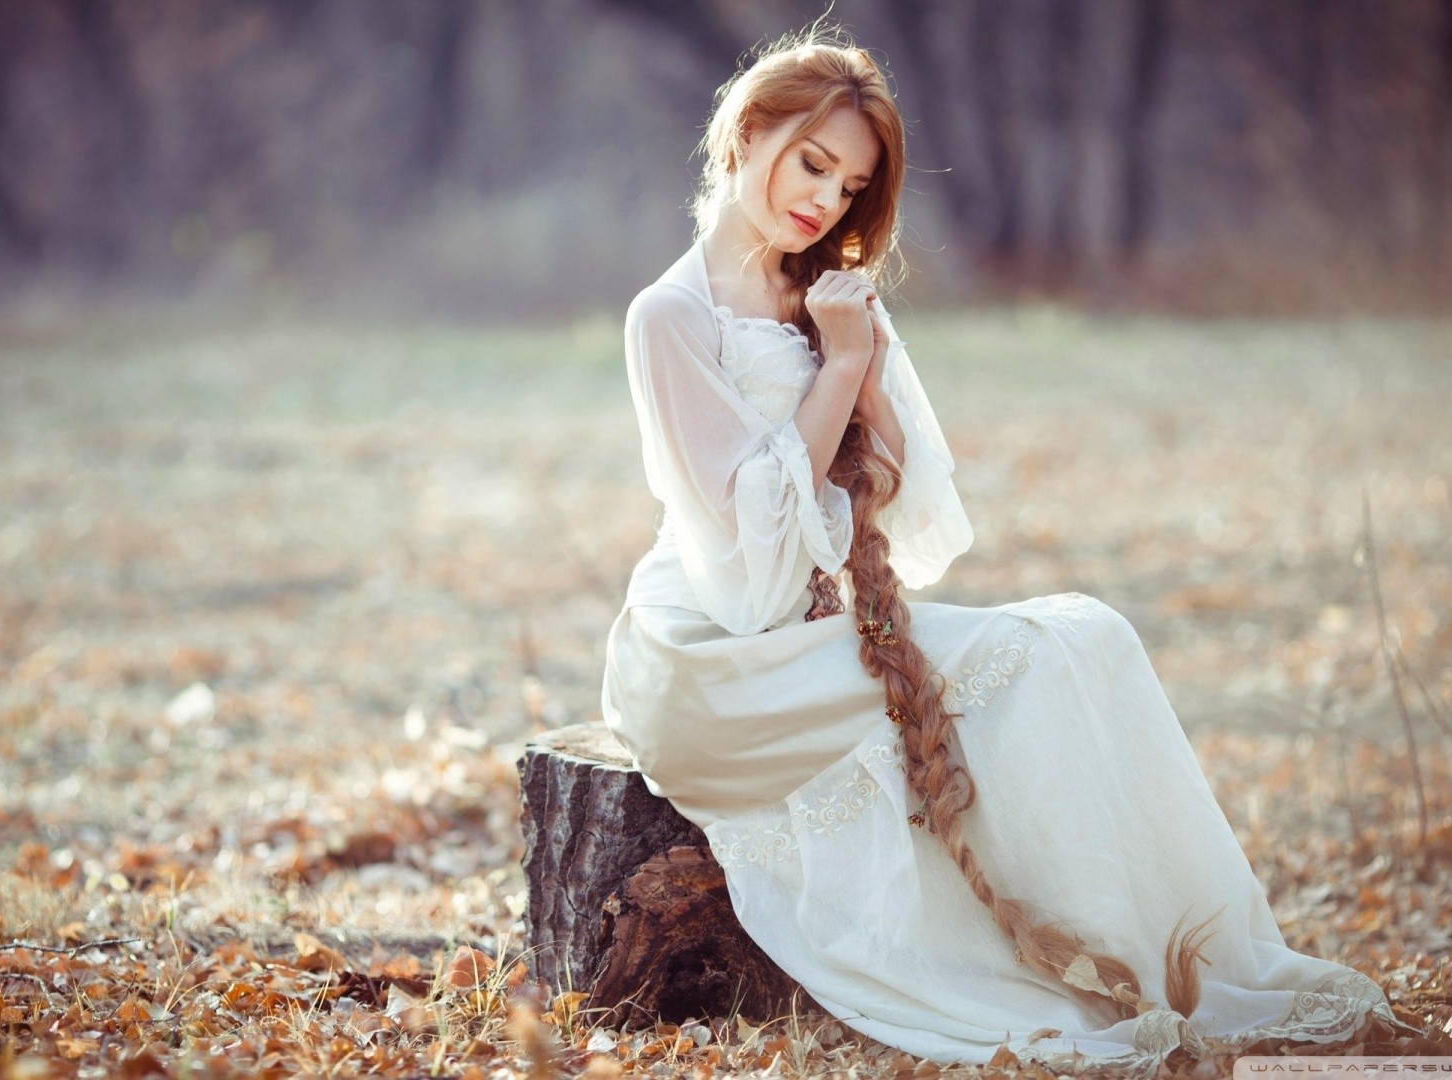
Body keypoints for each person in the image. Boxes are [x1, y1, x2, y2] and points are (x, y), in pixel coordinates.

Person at [598, 22, 1403, 1077]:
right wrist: (838, 371)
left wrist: (862, 370)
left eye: (848, 186)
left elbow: (900, 492)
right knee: (1039, 661)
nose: (824, 200)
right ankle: (1073, 971)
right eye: (811, 162)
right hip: (710, 652)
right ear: (749, 133)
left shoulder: (824, 298)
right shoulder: (669, 317)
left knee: (1091, 640)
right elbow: (745, 561)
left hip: (807, 624)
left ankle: (1167, 957)